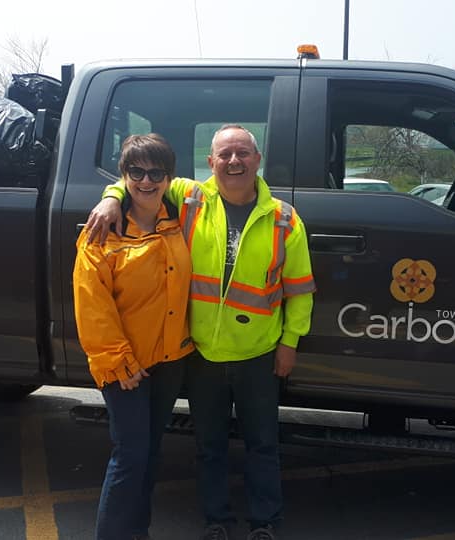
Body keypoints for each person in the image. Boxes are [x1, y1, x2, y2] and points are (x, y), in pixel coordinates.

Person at [86, 125, 316, 540]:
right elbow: (140, 178)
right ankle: (217, 522)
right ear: (210, 163)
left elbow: (299, 290)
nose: (234, 161)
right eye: (224, 154)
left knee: (263, 445)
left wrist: (290, 342)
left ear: (257, 159)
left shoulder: (284, 218)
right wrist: (110, 198)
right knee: (208, 447)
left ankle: (264, 523)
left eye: (242, 153)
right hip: (202, 352)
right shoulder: (190, 198)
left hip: (258, 352)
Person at [73, 133, 194, 540]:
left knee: (150, 452)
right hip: (125, 367)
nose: (146, 181)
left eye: (156, 173)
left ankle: (137, 532)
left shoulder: (179, 218)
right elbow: (93, 307)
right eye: (136, 172)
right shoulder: (102, 231)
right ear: (123, 175)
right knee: (130, 455)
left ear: (169, 178)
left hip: (169, 361)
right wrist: (118, 362)